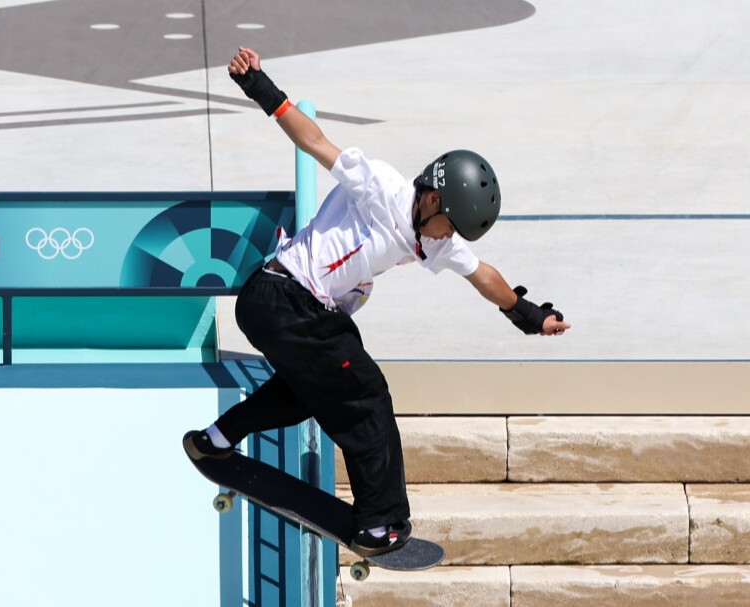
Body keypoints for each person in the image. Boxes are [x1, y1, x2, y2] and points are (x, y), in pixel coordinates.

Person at [184, 47, 570, 557]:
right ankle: (378, 523)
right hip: (283, 295)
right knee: (366, 397)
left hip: (289, 312)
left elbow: (483, 275)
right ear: (432, 198)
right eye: (448, 223)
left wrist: (529, 315)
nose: (447, 236)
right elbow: (315, 140)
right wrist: (260, 86)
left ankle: (214, 438)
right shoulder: (381, 186)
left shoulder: (434, 239)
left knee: (307, 393)